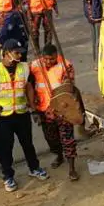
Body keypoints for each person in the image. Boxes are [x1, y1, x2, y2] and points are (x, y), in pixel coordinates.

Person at [0, 38, 48, 192]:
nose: (20, 56)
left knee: (28, 144)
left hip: (21, 114)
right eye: (16, 53)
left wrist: (33, 110)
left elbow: (28, 89)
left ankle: (34, 168)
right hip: (1, 118)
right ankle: (8, 176)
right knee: (4, 149)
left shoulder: (24, 68)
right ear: (6, 54)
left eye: (21, 53)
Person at [31, 44, 79, 180]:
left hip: (63, 111)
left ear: (56, 56)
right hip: (44, 111)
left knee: (68, 139)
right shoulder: (34, 66)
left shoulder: (66, 65)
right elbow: (29, 86)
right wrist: (33, 109)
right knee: (51, 139)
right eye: (45, 59)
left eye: (51, 59)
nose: (48, 62)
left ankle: (72, 169)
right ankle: (58, 156)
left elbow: (68, 87)